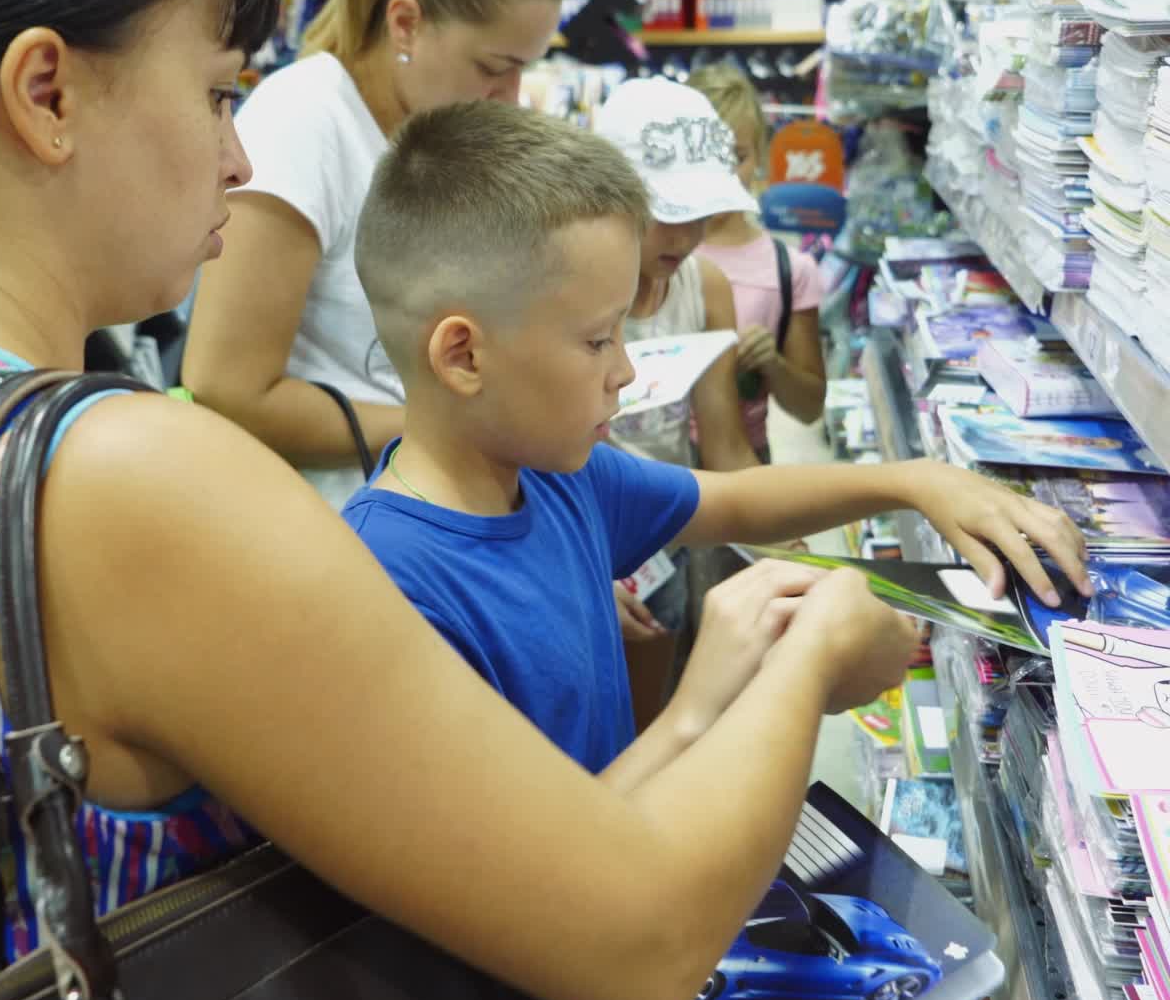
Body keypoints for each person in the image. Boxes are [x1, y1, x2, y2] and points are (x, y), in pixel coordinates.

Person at [0, 0, 967, 1000]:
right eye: (215, 93)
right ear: (47, 92)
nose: (238, 161)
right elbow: (641, 933)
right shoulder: (120, 476)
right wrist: (816, 646)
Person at [343, 99, 1090, 781]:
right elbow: (520, 882)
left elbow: (733, 497)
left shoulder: (554, 477)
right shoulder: (391, 593)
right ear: (464, 356)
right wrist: (716, 700)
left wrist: (917, 481)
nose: (627, 371)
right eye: (599, 340)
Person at [181, 0, 568, 509]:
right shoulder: (305, 120)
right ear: (407, 23)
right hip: (336, 536)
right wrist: (466, 430)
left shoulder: (435, 132)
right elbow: (226, 386)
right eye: (493, 67)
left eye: (525, 67)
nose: (511, 95)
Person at [590, 78, 763, 726]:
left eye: (701, 215)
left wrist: (788, 540)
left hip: (666, 537)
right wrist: (579, 567)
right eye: (669, 212)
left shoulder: (704, 286)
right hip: (584, 539)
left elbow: (723, 444)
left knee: (658, 715)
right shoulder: (563, 281)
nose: (687, 236)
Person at [688, 63, 828, 462]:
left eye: (736, 156)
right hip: (651, 463)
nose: (721, 171)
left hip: (747, 458)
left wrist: (773, 364)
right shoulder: (647, 256)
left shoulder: (790, 270)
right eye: (705, 154)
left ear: (761, 156)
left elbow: (809, 407)